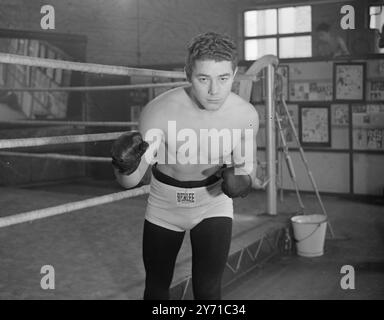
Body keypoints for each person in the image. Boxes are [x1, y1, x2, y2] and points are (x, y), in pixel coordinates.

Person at [111, 32, 270, 300]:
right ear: (187, 73)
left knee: (208, 291)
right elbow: (131, 181)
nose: (214, 90)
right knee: (157, 287)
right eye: (203, 78)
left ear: (235, 73)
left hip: (213, 203)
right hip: (164, 205)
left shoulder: (245, 115)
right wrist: (123, 166)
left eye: (223, 78)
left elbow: (247, 173)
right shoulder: (159, 111)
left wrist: (240, 181)